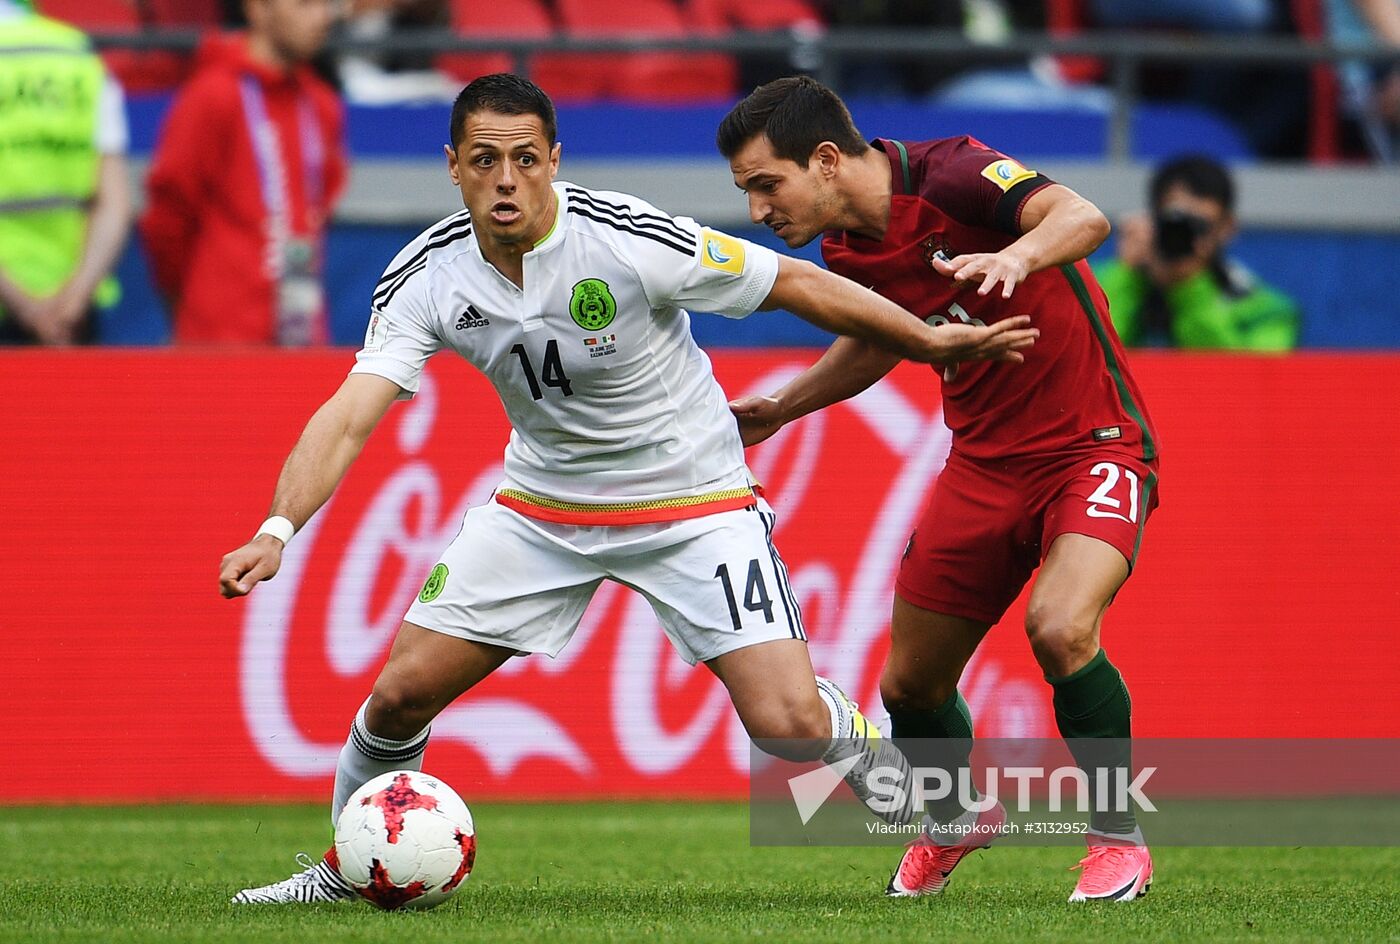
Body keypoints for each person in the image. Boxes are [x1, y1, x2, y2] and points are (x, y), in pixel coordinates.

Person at [219, 73, 1038, 905]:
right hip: (542, 511)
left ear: (554, 161)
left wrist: (928, 342)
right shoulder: (427, 275)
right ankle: (347, 871)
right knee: (397, 698)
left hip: (694, 503)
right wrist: (277, 529)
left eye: (526, 160)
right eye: (485, 160)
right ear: (454, 167)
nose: (507, 179)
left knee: (788, 728)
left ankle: (933, 806)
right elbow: (351, 413)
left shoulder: (624, 237)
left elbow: (798, 284)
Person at [717, 76, 1159, 903]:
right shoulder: (849, 251)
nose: (758, 211)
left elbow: (1084, 219)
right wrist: (780, 408)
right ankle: (954, 821)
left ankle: (1117, 839)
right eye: (747, 193)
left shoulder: (953, 173)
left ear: (823, 160)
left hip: (1092, 447)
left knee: (1061, 629)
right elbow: (886, 341)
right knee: (908, 688)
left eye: (765, 185)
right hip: (984, 465)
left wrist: (1016, 254)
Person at [141, 0, 344, 344]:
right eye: (305, 4)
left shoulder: (321, 104)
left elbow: (320, 203)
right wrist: (190, 304)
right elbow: (168, 217)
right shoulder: (212, 95)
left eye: (327, 4)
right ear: (257, 9)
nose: (323, 17)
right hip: (218, 339)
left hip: (301, 334)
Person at [0, 0, 130, 345]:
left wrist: (28, 309)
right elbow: (115, 204)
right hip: (72, 314)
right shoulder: (78, 55)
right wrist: (72, 300)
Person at [1096, 155, 1300, 350]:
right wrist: (1127, 276)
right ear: (1152, 220)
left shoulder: (1269, 312)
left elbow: (1239, 379)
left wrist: (1188, 288)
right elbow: (1090, 361)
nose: (1186, 236)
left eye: (1201, 226)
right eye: (1175, 222)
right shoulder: (1099, 285)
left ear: (1227, 227)